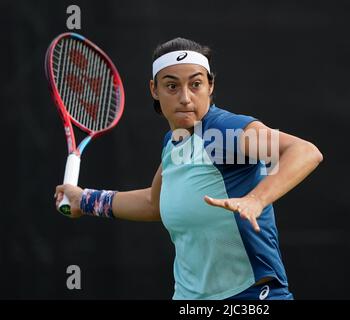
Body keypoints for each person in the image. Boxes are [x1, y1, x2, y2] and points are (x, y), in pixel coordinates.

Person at [54, 37, 323, 300]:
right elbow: (153, 203)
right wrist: (84, 199)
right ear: (154, 90)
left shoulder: (225, 130)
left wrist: (256, 199)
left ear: (210, 86)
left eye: (196, 84)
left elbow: (305, 151)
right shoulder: (173, 144)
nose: (185, 97)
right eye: (172, 86)